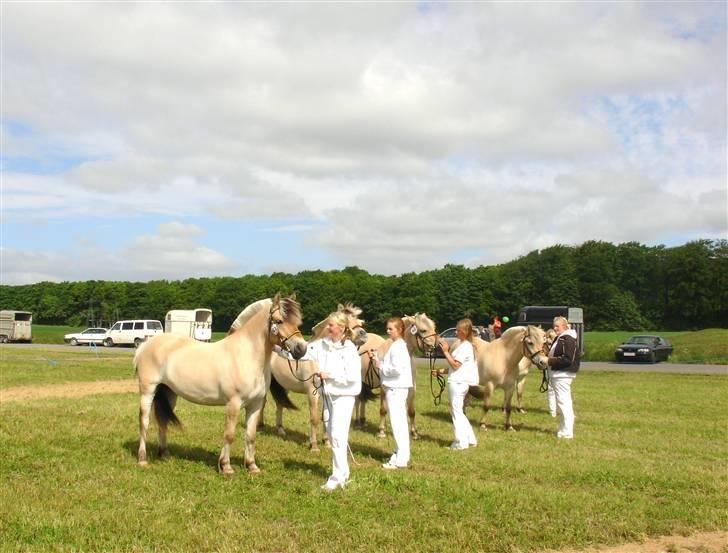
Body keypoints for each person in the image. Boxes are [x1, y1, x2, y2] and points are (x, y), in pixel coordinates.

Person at [274, 311, 361, 490]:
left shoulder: (350, 349)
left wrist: (329, 375)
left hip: (343, 397)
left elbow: (352, 377)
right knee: (333, 435)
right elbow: (300, 354)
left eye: (330, 325)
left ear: (341, 328)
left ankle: (337, 477)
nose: (327, 328)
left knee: (337, 436)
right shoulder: (322, 344)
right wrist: (275, 348)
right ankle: (343, 473)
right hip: (328, 396)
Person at [368, 317, 412, 469]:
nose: (387, 331)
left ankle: (400, 459)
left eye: (390, 329)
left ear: (400, 330)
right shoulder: (397, 346)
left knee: (398, 423)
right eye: (387, 328)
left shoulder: (398, 347)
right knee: (399, 423)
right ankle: (400, 453)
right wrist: (377, 359)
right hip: (396, 388)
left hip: (396, 388)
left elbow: (396, 369)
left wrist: (380, 365)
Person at [433, 318, 479, 450]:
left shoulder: (465, 347)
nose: (456, 333)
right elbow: (455, 367)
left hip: (458, 383)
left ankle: (460, 442)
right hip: (460, 381)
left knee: (456, 412)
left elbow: (455, 365)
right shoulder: (466, 345)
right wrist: (440, 371)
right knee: (459, 412)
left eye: (458, 330)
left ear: (465, 331)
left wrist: (446, 352)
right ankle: (470, 439)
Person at [547, 316, 580, 439]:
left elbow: (567, 359)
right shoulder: (560, 338)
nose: (555, 328)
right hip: (558, 374)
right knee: (562, 402)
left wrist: (549, 361)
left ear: (565, 327)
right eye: (554, 326)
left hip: (563, 374)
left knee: (563, 402)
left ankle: (567, 432)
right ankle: (563, 429)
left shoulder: (568, 339)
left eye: (557, 326)